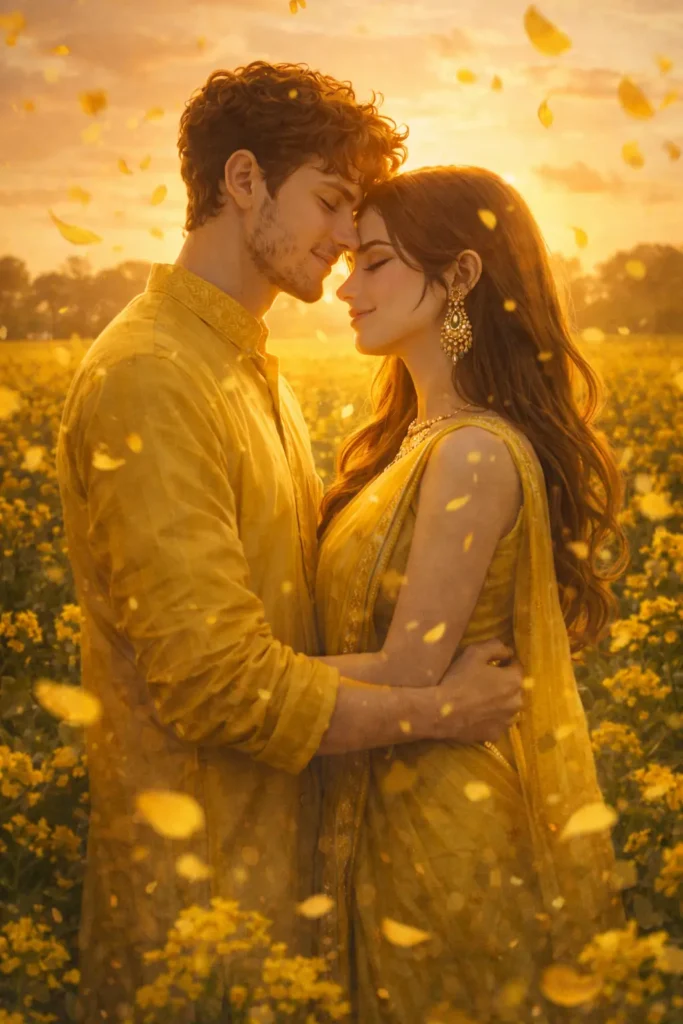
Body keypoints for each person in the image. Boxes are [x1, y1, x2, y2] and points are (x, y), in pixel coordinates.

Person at [55, 64, 523, 1023]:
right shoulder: (153, 378)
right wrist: (440, 710)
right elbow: (216, 684)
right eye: (330, 199)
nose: (349, 237)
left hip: (283, 891)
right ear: (241, 183)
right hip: (198, 907)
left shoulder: (244, 369)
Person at [313, 165, 630, 1022]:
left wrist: (227, 681)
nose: (346, 287)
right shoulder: (413, 440)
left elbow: (412, 668)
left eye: (374, 262)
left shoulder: (473, 452)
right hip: (388, 797)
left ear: (459, 276)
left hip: (441, 827)